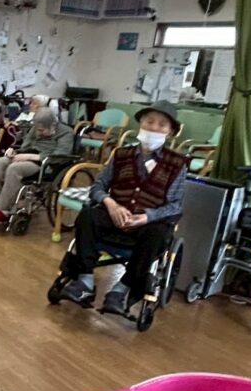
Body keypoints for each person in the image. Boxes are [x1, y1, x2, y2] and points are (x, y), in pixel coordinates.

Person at [60, 101, 186, 315]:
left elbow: (175, 205)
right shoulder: (121, 155)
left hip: (145, 226)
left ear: (171, 132)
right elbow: (98, 186)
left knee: (158, 233)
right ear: (140, 124)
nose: (154, 128)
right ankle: (85, 281)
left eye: (162, 124)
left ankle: (121, 290)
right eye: (149, 122)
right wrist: (111, 204)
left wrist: (146, 217)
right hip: (113, 216)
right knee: (87, 215)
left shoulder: (177, 164)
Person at [0, 107, 74, 222]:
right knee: (0, 162)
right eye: (37, 129)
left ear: (53, 125)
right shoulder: (35, 128)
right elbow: (25, 146)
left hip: (44, 163)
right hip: (27, 155)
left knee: (14, 168)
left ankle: (3, 210)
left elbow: (60, 155)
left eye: (42, 130)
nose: (38, 132)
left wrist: (29, 157)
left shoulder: (66, 132)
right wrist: (14, 151)